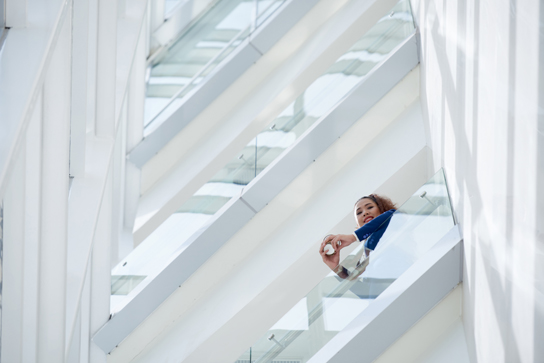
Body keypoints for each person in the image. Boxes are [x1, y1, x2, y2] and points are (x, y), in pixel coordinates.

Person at [319, 194, 396, 278]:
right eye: (359, 212)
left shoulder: (393, 218)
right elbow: (358, 284)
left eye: (370, 207)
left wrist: (353, 237)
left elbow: (391, 214)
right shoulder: (365, 253)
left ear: (381, 210)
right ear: (358, 226)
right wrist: (336, 267)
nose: (365, 213)